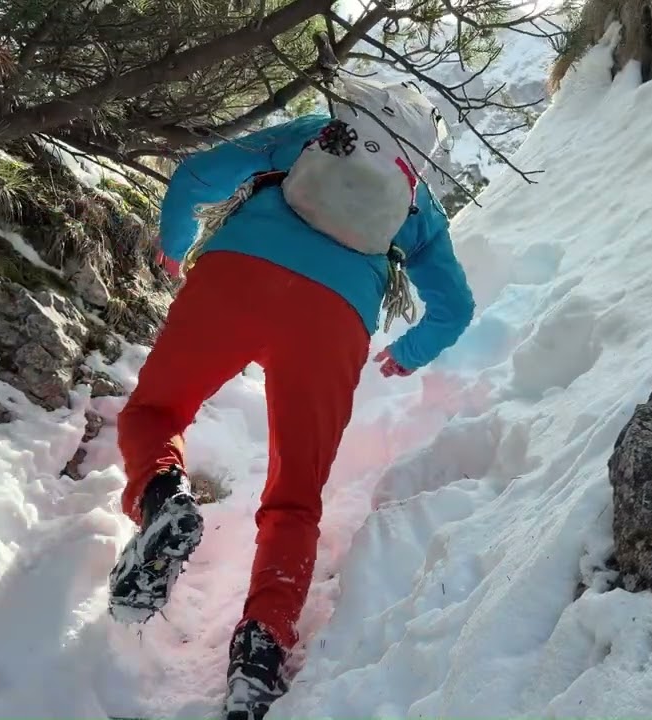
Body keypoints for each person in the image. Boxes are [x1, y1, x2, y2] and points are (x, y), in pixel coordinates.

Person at [106, 89, 476, 720]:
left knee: (156, 413)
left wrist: (176, 238)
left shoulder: (316, 133)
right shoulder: (418, 202)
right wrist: (409, 351)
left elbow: (198, 173)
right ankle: (261, 648)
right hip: (332, 323)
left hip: (236, 277)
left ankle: (164, 496)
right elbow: (456, 308)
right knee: (295, 498)